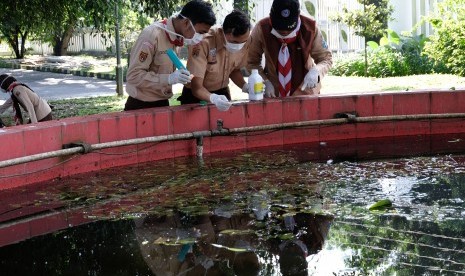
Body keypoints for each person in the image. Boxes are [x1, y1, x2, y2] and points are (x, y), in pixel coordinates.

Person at [124, 0, 216, 111]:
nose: (200, 38)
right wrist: (168, 78)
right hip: (140, 104)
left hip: (162, 102)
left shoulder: (179, 36)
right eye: (200, 33)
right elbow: (133, 76)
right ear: (186, 23)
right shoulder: (152, 35)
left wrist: (179, 76)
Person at [247, 0, 332, 98]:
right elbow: (251, 61)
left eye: (289, 27)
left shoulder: (310, 28)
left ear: (298, 16)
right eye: (279, 27)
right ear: (271, 17)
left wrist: (316, 71)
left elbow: (326, 58)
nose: (284, 31)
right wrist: (264, 81)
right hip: (274, 94)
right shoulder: (262, 28)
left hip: (306, 93)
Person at [178, 10, 252, 111]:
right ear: (223, 32)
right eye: (234, 42)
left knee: (226, 125)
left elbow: (234, 70)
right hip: (196, 96)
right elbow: (197, 88)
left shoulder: (246, 40)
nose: (239, 46)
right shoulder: (203, 41)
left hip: (222, 92)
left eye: (243, 42)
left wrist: (246, 86)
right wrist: (214, 98)